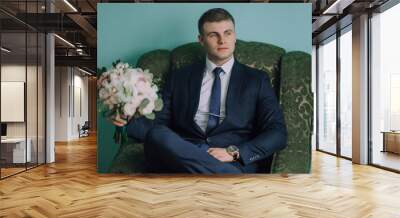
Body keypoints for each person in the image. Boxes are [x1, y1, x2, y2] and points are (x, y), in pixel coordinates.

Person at [114, 8, 287, 174]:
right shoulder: (179, 78)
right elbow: (159, 124)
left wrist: (234, 152)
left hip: (230, 161)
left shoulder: (257, 79)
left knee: (162, 143)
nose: (222, 40)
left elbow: (277, 132)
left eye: (228, 33)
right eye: (213, 35)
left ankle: (219, 174)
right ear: (201, 40)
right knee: (157, 135)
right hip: (182, 155)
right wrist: (128, 118)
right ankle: (224, 178)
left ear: (234, 36)